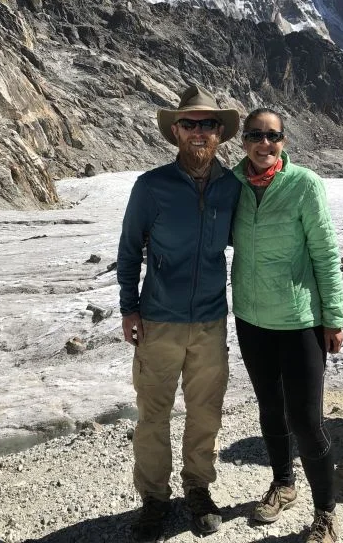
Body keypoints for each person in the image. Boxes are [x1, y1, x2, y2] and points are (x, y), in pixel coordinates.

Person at [117, 84, 241, 542]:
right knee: (153, 414)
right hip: (159, 320)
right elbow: (129, 249)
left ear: (219, 134)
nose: (199, 131)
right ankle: (154, 497)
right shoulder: (152, 187)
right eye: (190, 124)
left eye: (208, 124)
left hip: (210, 321)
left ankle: (198, 488)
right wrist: (129, 308)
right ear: (176, 131)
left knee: (205, 411)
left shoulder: (232, 187)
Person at [231, 108, 343, 543]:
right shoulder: (233, 185)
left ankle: (325, 514)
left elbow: (325, 253)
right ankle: (283, 483)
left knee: (306, 420)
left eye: (273, 136)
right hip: (252, 318)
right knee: (269, 408)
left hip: (299, 322)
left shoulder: (304, 184)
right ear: (244, 140)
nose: (264, 144)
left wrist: (333, 317)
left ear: (283, 141)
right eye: (255, 135)